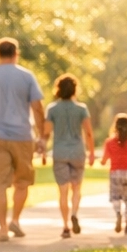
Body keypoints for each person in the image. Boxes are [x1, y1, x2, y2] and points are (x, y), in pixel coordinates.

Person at [0, 37, 46, 242]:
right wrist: (41, 136)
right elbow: (38, 108)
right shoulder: (26, 76)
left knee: (0, 185)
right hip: (22, 136)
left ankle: (3, 229)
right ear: (16, 53)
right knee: (22, 182)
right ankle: (15, 219)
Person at [44, 74, 95, 238]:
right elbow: (88, 132)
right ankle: (74, 213)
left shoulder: (52, 109)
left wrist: (43, 151)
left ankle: (65, 226)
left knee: (63, 191)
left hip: (59, 152)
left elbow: (46, 133)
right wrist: (92, 152)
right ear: (75, 89)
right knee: (76, 188)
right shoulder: (81, 109)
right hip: (77, 152)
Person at [97, 113, 127, 234]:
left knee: (115, 198)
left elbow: (104, 160)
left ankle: (118, 213)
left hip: (115, 173)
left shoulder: (109, 143)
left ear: (115, 127)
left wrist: (100, 162)